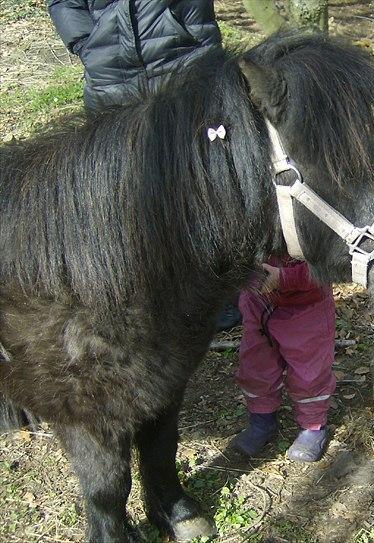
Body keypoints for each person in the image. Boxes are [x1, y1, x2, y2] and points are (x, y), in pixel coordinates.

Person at [47, 0, 240, 331]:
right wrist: (88, 42)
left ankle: (212, 296)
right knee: (123, 191)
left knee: (197, 185)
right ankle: (145, 294)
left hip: (180, 62)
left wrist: (195, 40)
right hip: (110, 74)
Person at [230, 257, 336, 463]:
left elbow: (329, 263)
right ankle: (262, 420)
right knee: (256, 365)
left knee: (309, 372)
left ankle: (312, 426)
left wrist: (285, 278)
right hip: (258, 299)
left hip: (307, 305)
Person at [47, 0, 223, 113]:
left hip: (182, 58)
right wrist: (86, 44)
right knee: (118, 163)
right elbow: (63, 3)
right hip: (109, 74)